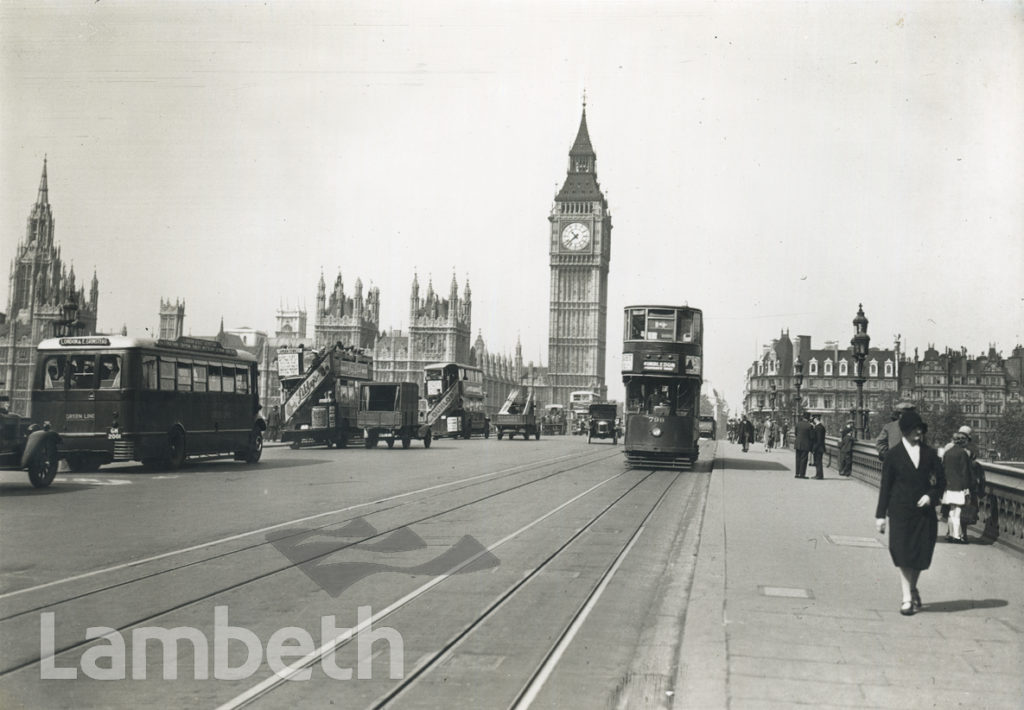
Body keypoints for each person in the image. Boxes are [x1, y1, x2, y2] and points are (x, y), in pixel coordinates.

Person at [875, 410, 946, 616]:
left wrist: (931, 496)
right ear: (905, 430)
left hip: (924, 514)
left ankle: (913, 588)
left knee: (921, 557)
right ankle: (906, 598)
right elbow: (885, 486)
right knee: (903, 554)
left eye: (920, 428)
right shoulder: (893, 455)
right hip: (900, 513)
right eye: (914, 428)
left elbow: (941, 482)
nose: (918, 432)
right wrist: (880, 516)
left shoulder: (930, 454)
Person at [941, 426, 975, 544]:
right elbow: (965, 472)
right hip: (959, 486)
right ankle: (957, 536)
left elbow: (943, 468)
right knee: (958, 511)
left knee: (951, 511)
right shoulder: (963, 453)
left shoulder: (948, 452)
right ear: (964, 441)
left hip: (949, 486)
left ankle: (951, 534)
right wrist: (967, 488)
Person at [793, 412, 813, 478]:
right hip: (805, 444)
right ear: (808, 417)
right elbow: (811, 436)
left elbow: (795, 433)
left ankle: (797, 473)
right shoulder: (809, 425)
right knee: (804, 459)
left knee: (797, 458)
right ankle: (802, 474)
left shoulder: (798, 424)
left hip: (798, 443)